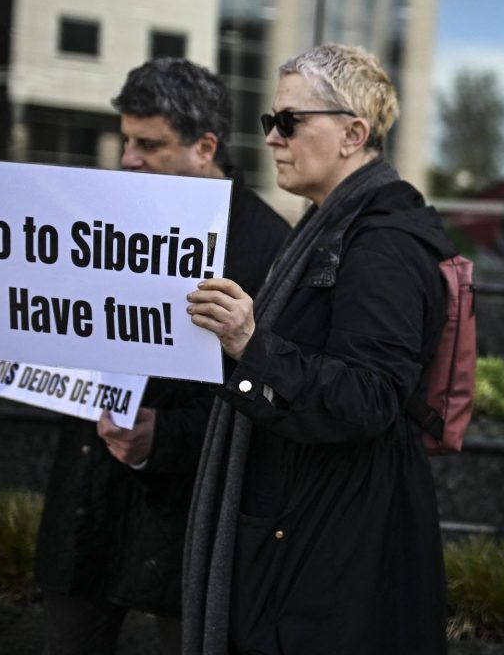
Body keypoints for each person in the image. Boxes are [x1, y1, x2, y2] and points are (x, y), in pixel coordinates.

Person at [181, 44, 454, 655]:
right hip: (317, 531)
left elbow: (370, 395)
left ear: (353, 133)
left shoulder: (382, 242)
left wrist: (252, 346)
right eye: (269, 122)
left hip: (337, 548)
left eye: (290, 121)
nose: (273, 138)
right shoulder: (330, 226)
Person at [35, 58, 289, 655]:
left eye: (149, 144)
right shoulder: (99, 215)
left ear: (205, 146)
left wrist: (166, 437)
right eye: (126, 140)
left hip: (191, 520)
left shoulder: (268, 248)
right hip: (89, 504)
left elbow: (271, 392)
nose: (129, 159)